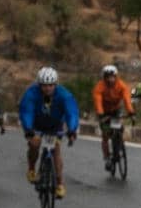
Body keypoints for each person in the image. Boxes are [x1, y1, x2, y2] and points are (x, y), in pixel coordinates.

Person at [19, 66, 80, 199]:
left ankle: (59, 184)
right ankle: (31, 168)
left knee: (56, 151)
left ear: (55, 84)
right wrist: (28, 129)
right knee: (34, 144)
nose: (47, 88)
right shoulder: (31, 93)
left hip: (55, 126)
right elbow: (27, 111)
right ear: (39, 84)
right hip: (36, 126)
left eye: (51, 85)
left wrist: (72, 129)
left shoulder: (64, 95)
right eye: (44, 85)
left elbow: (72, 113)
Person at [92, 64, 134, 174]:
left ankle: (118, 142)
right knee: (105, 135)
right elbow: (98, 101)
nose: (110, 79)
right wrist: (101, 114)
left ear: (116, 77)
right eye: (108, 77)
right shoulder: (99, 87)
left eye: (112, 77)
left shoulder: (121, 86)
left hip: (116, 110)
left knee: (119, 129)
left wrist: (131, 112)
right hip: (104, 112)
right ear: (104, 78)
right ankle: (107, 158)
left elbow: (126, 99)